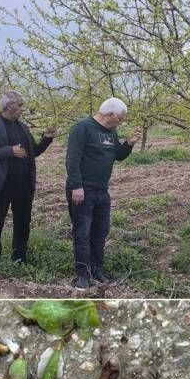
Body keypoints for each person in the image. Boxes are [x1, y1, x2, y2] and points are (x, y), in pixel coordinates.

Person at [0, 90, 56, 275]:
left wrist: (47, 138)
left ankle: (19, 259)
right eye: (20, 106)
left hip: (23, 185)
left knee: (23, 223)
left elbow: (33, 151)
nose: (22, 109)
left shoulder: (22, 127)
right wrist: (9, 151)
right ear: (9, 106)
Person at [64, 97, 140, 290]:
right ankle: (82, 274)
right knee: (82, 233)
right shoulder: (82, 128)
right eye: (120, 118)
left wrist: (129, 143)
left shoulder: (111, 132)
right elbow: (72, 159)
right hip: (83, 191)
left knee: (100, 232)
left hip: (101, 191)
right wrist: (76, 186)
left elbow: (117, 156)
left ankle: (97, 269)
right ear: (110, 114)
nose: (121, 122)